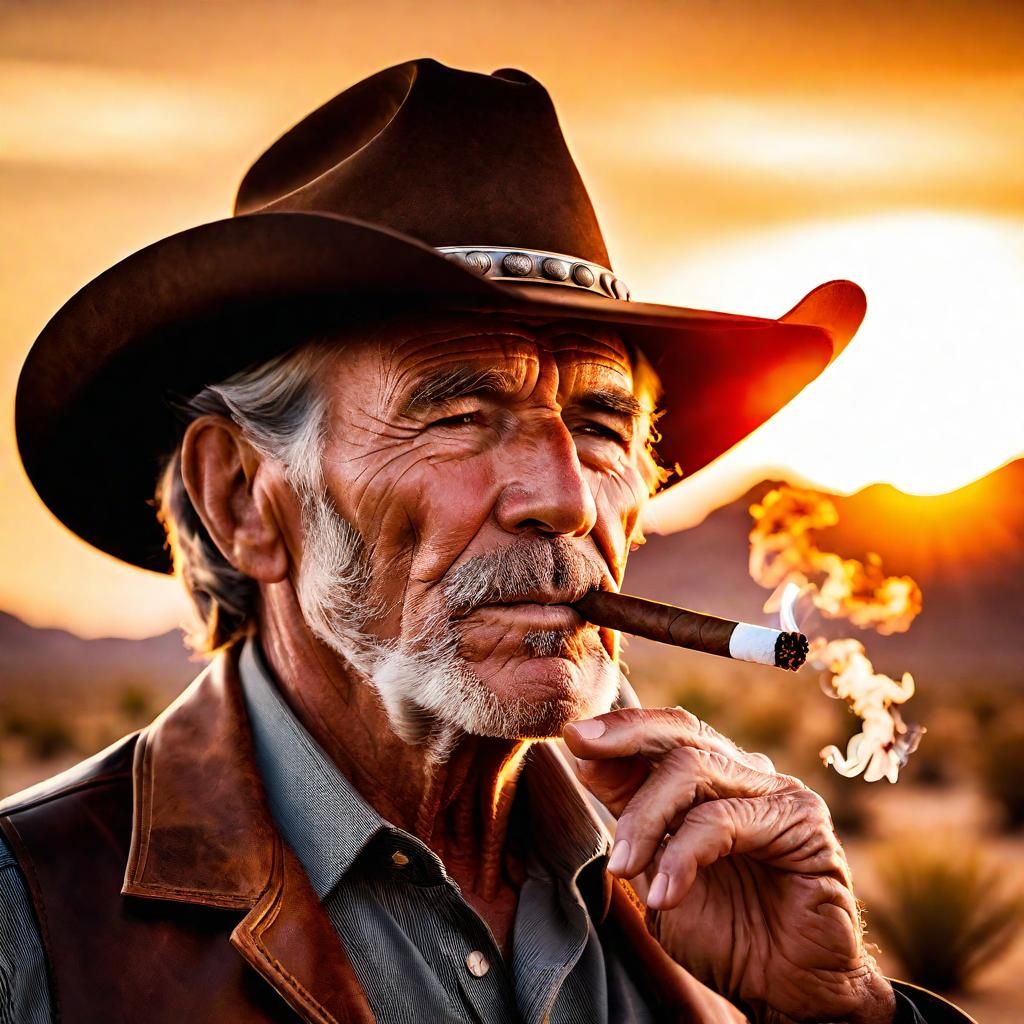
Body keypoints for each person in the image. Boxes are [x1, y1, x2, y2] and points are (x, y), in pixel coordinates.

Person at [1, 59, 973, 1023]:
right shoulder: (33, 922)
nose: (560, 497)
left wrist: (841, 1012)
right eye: (460, 412)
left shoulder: (701, 880)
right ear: (246, 499)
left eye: (600, 424)